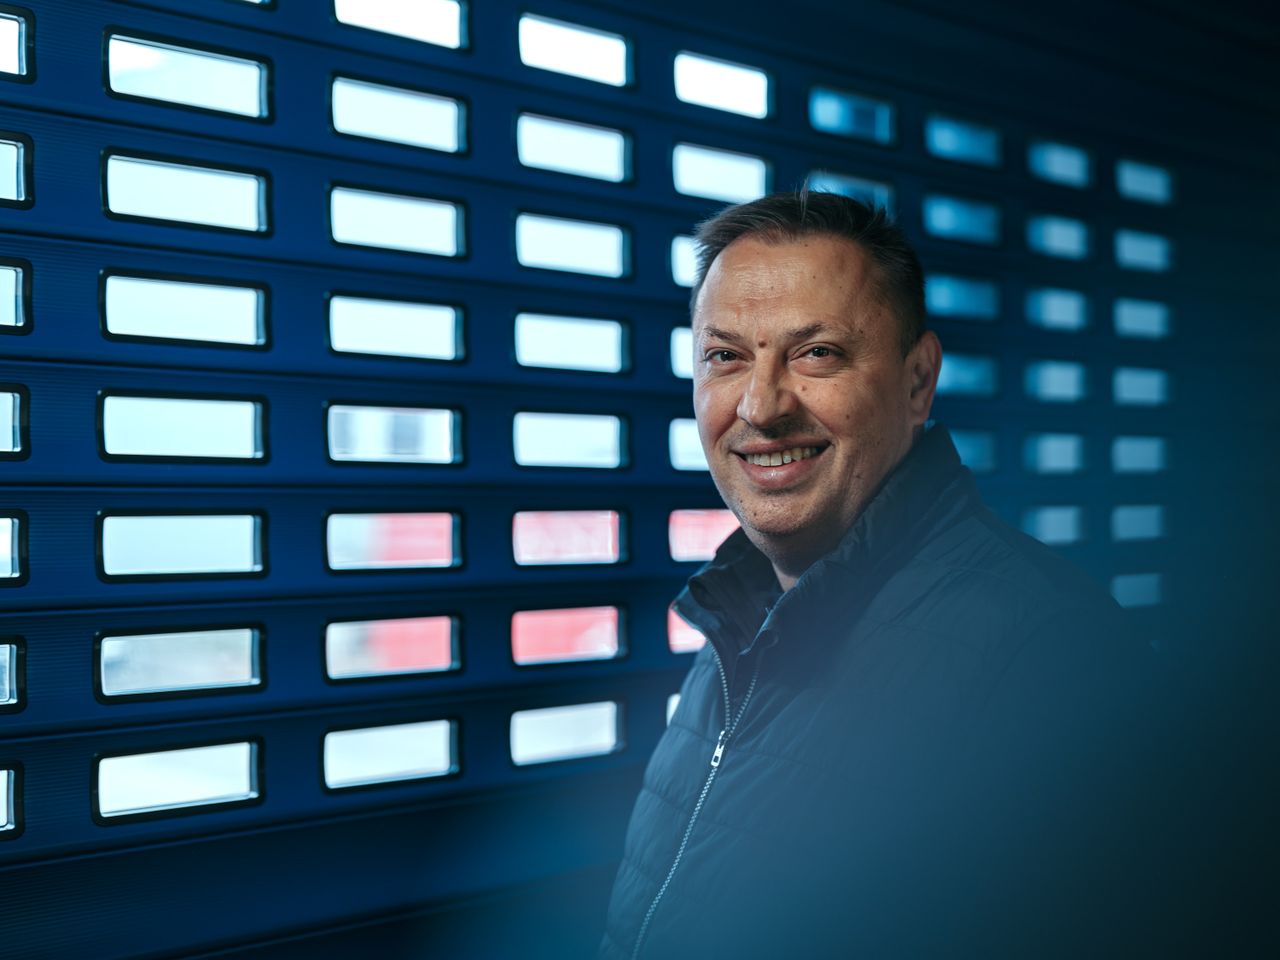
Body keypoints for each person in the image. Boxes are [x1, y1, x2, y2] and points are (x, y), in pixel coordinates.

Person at [599, 191, 1161, 958]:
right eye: (726, 356)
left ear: (917, 381)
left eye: (817, 353)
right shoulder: (737, 623)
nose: (760, 406)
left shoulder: (1054, 656)